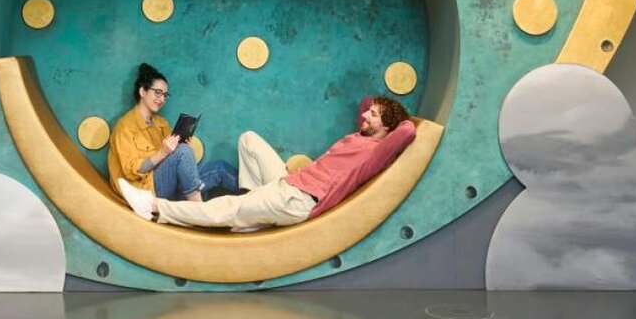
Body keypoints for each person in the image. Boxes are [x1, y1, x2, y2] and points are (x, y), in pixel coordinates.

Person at [117, 95, 415, 230]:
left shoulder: (375, 152)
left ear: (387, 127)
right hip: (289, 182)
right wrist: (380, 110)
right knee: (248, 139)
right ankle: (254, 205)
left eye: (373, 115)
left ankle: (153, 206)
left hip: (299, 199)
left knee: (226, 207)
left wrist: (400, 119)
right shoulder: (361, 135)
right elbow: (366, 101)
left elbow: (408, 131)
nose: (364, 115)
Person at [109, 63, 237, 203]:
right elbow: (132, 171)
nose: (162, 99)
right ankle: (198, 207)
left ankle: (255, 196)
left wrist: (184, 146)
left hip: (174, 186)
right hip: (147, 192)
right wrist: (163, 153)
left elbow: (176, 158)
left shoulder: (161, 123)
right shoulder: (125, 127)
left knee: (219, 167)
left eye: (165, 95)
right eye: (158, 92)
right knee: (183, 151)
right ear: (142, 92)